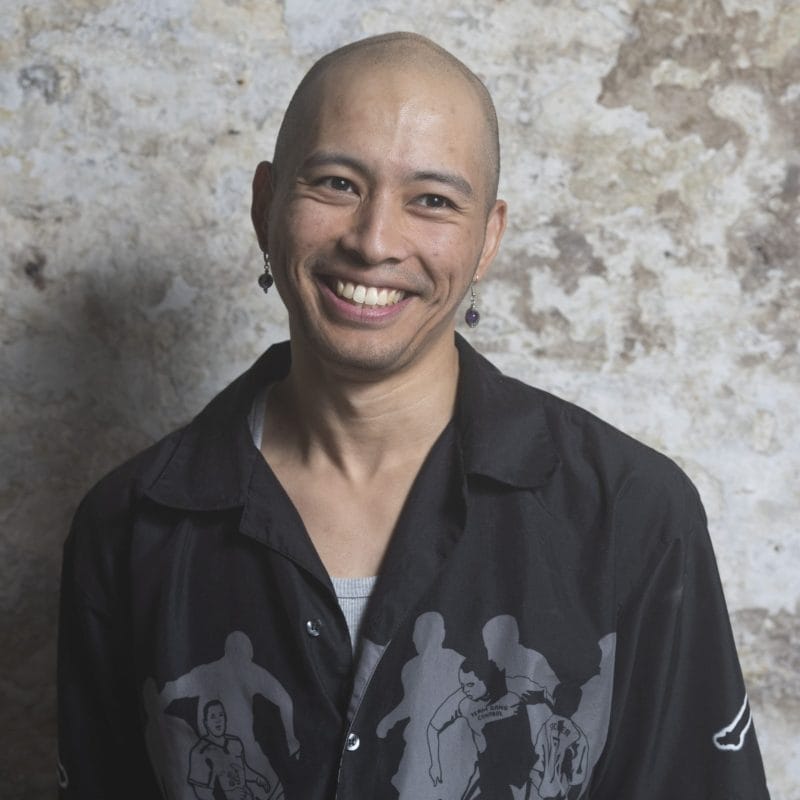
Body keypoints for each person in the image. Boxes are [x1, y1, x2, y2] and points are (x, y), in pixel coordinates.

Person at [57, 31, 771, 800]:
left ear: (487, 238)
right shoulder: (131, 527)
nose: (374, 241)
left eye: (431, 200)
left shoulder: (631, 512)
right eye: (335, 183)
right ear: (265, 203)